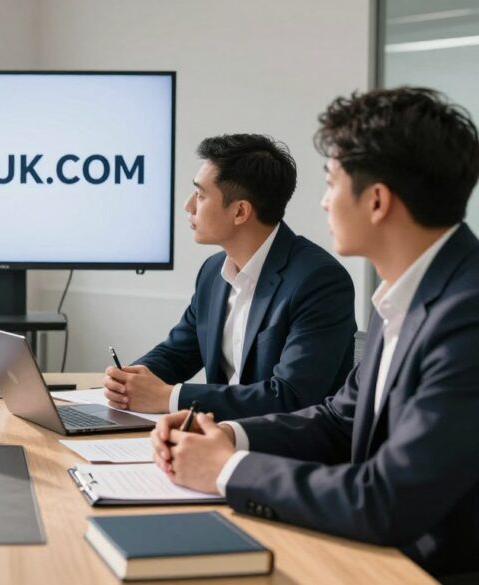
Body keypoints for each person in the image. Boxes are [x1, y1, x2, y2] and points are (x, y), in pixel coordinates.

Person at [151, 87, 479, 580]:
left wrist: (226, 470)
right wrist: (225, 436)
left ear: (376, 200)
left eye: (331, 184)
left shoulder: (466, 314)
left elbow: (386, 499)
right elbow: (336, 421)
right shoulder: (415, 292)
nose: (323, 204)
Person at [104, 134, 357, 420]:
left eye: (200, 195)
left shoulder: (319, 280)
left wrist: (170, 397)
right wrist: (129, 381)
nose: (189, 206)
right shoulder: (213, 272)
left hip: (284, 452)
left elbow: (291, 396)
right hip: (217, 438)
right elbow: (178, 353)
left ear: (240, 212)